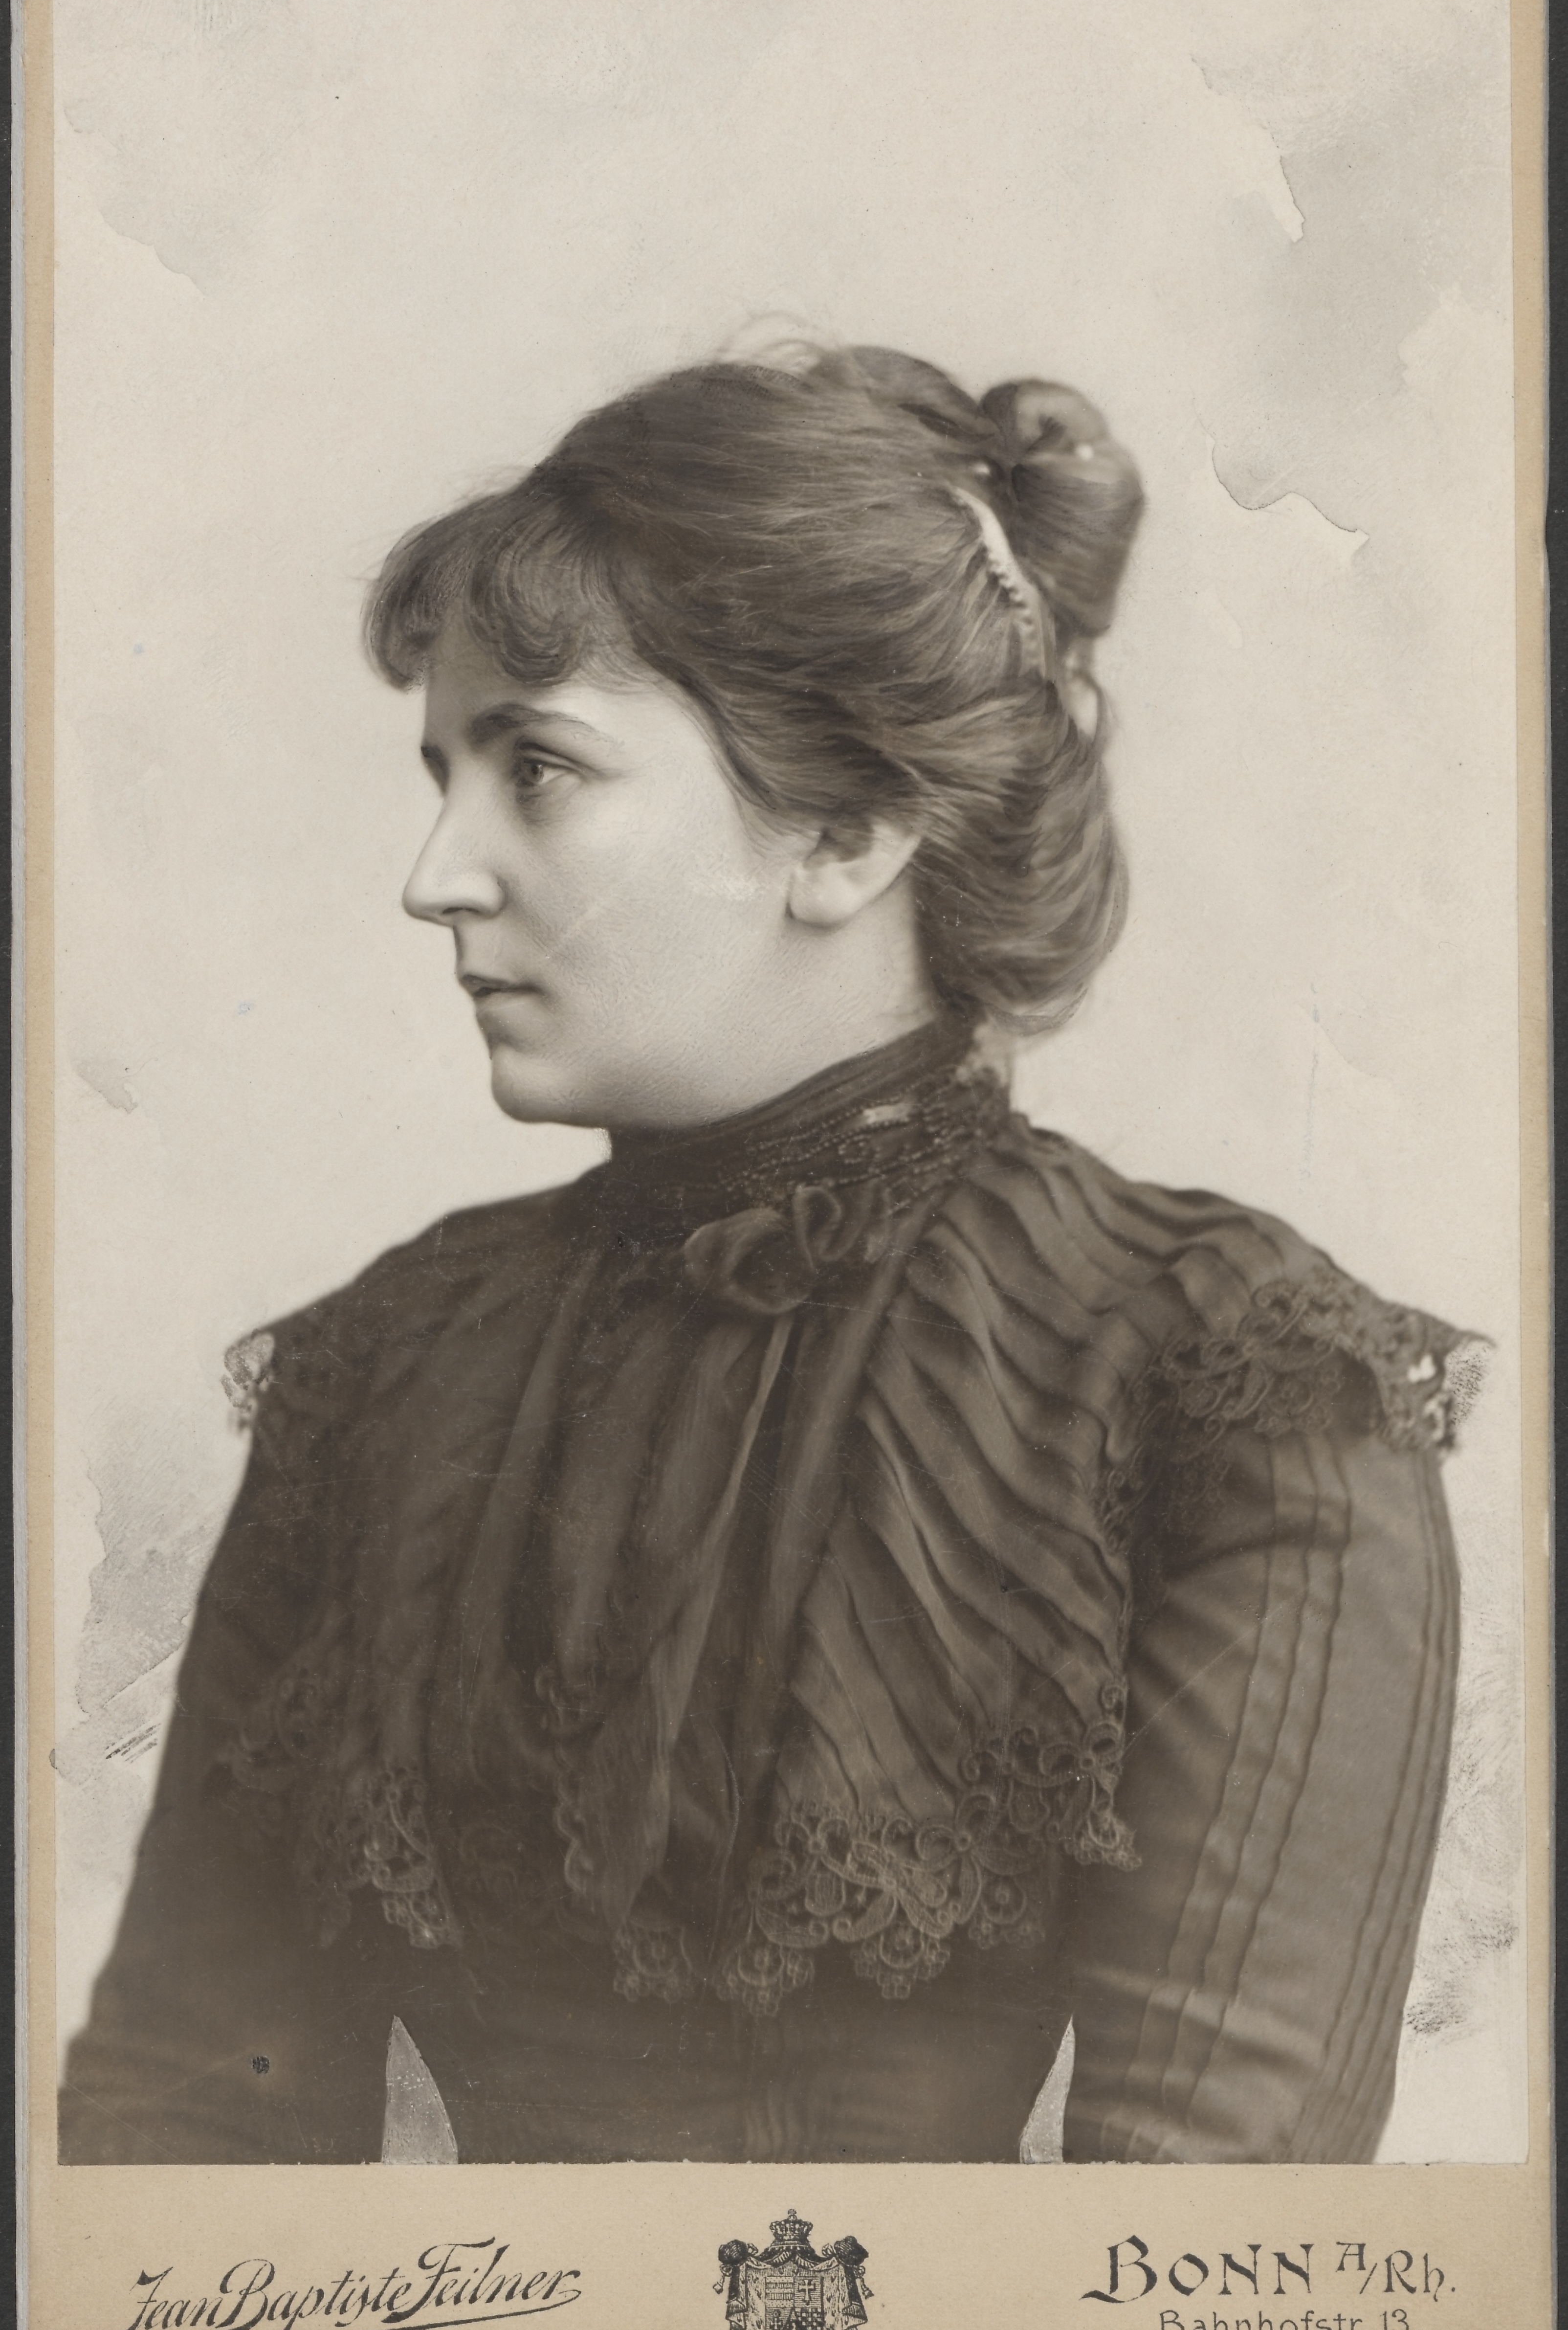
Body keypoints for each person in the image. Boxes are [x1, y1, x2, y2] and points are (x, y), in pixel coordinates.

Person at [59, 345, 1475, 2165]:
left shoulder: (1230, 1375)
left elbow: (1216, 2264)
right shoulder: (389, 1361)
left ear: (850, 830)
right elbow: (184, 2157)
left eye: (540, 772)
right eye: (442, 774)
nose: (436, 874)